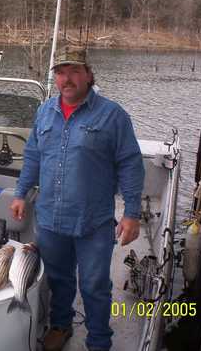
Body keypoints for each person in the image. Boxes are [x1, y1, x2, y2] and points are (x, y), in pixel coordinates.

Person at [10, 45, 145, 351]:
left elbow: (130, 164)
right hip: (50, 218)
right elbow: (32, 155)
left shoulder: (112, 115)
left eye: (73, 71)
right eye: (60, 72)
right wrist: (21, 193)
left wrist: (132, 213)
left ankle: (98, 340)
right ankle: (61, 325)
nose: (66, 79)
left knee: (94, 285)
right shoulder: (45, 110)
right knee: (58, 279)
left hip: (92, 221)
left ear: (88, 74)